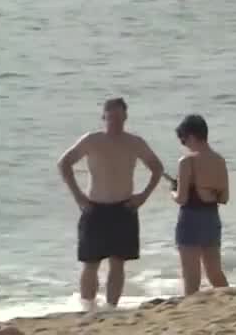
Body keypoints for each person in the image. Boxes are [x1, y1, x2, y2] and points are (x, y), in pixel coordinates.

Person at [57, 98, 164, 312]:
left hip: (124, 207)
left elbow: (157, 168)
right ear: (103, 117)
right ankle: (87, 307)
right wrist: (78, 196)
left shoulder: (135, 142)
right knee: (90, 262)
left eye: (118, 116)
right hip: (94, 207)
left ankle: (111, 308)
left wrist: (143, 195)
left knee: (118, 262)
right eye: (110, 116)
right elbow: (64, 163)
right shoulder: (92, 140)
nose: (114, 121)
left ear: (125, 117)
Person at [172, 114, 229, 296]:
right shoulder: (219, 160)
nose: (184, 144)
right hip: (212, 218)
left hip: (190, 219)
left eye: (183, 140)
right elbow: (224, 198)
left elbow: (181, 199)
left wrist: (172, 192)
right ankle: (228, 301)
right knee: (215, 272)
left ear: (191, 136)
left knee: (191, 277)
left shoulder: (187, 161)